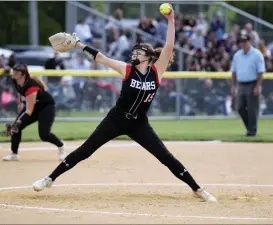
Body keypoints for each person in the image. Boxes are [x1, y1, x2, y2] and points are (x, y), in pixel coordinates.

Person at [33, 7, 217, 202]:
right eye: (134, 51)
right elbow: (102, 58)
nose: (134, 54)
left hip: (139, 123)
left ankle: (198, 189)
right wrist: (79, 45)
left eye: (138, 52)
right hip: (116, 118)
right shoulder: (127, 69)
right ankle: (49, 179)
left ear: (147, 56)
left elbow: (169, 45)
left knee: (166, 157)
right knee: (86, 150)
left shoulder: (157, 71)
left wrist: (171, 19)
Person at [1, 64, 66, 161]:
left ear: (23, 75)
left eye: (16, 72)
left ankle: (61, 147)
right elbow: (20, 91)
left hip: (46, 107)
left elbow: (29, 110)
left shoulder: (31, 86)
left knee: (44, 135)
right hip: (33, 106)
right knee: (16, 128)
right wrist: (20, 102)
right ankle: (14, 154)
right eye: (13, 71)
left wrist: (19, 123)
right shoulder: (15, 80)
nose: (13, 73)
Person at [231, 35, 266, 136]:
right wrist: (233, 86)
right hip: (241, 83)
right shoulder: (237, 55)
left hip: (252, 83)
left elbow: (260, 72)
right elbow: (233, 72)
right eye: (241, 42)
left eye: (245, 42)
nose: (243, 44)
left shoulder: (257, 54)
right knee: (239, 107)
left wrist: (258, 86)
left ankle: (252, 131)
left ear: (250, 42)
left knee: (252, 109)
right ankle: (250, 127)